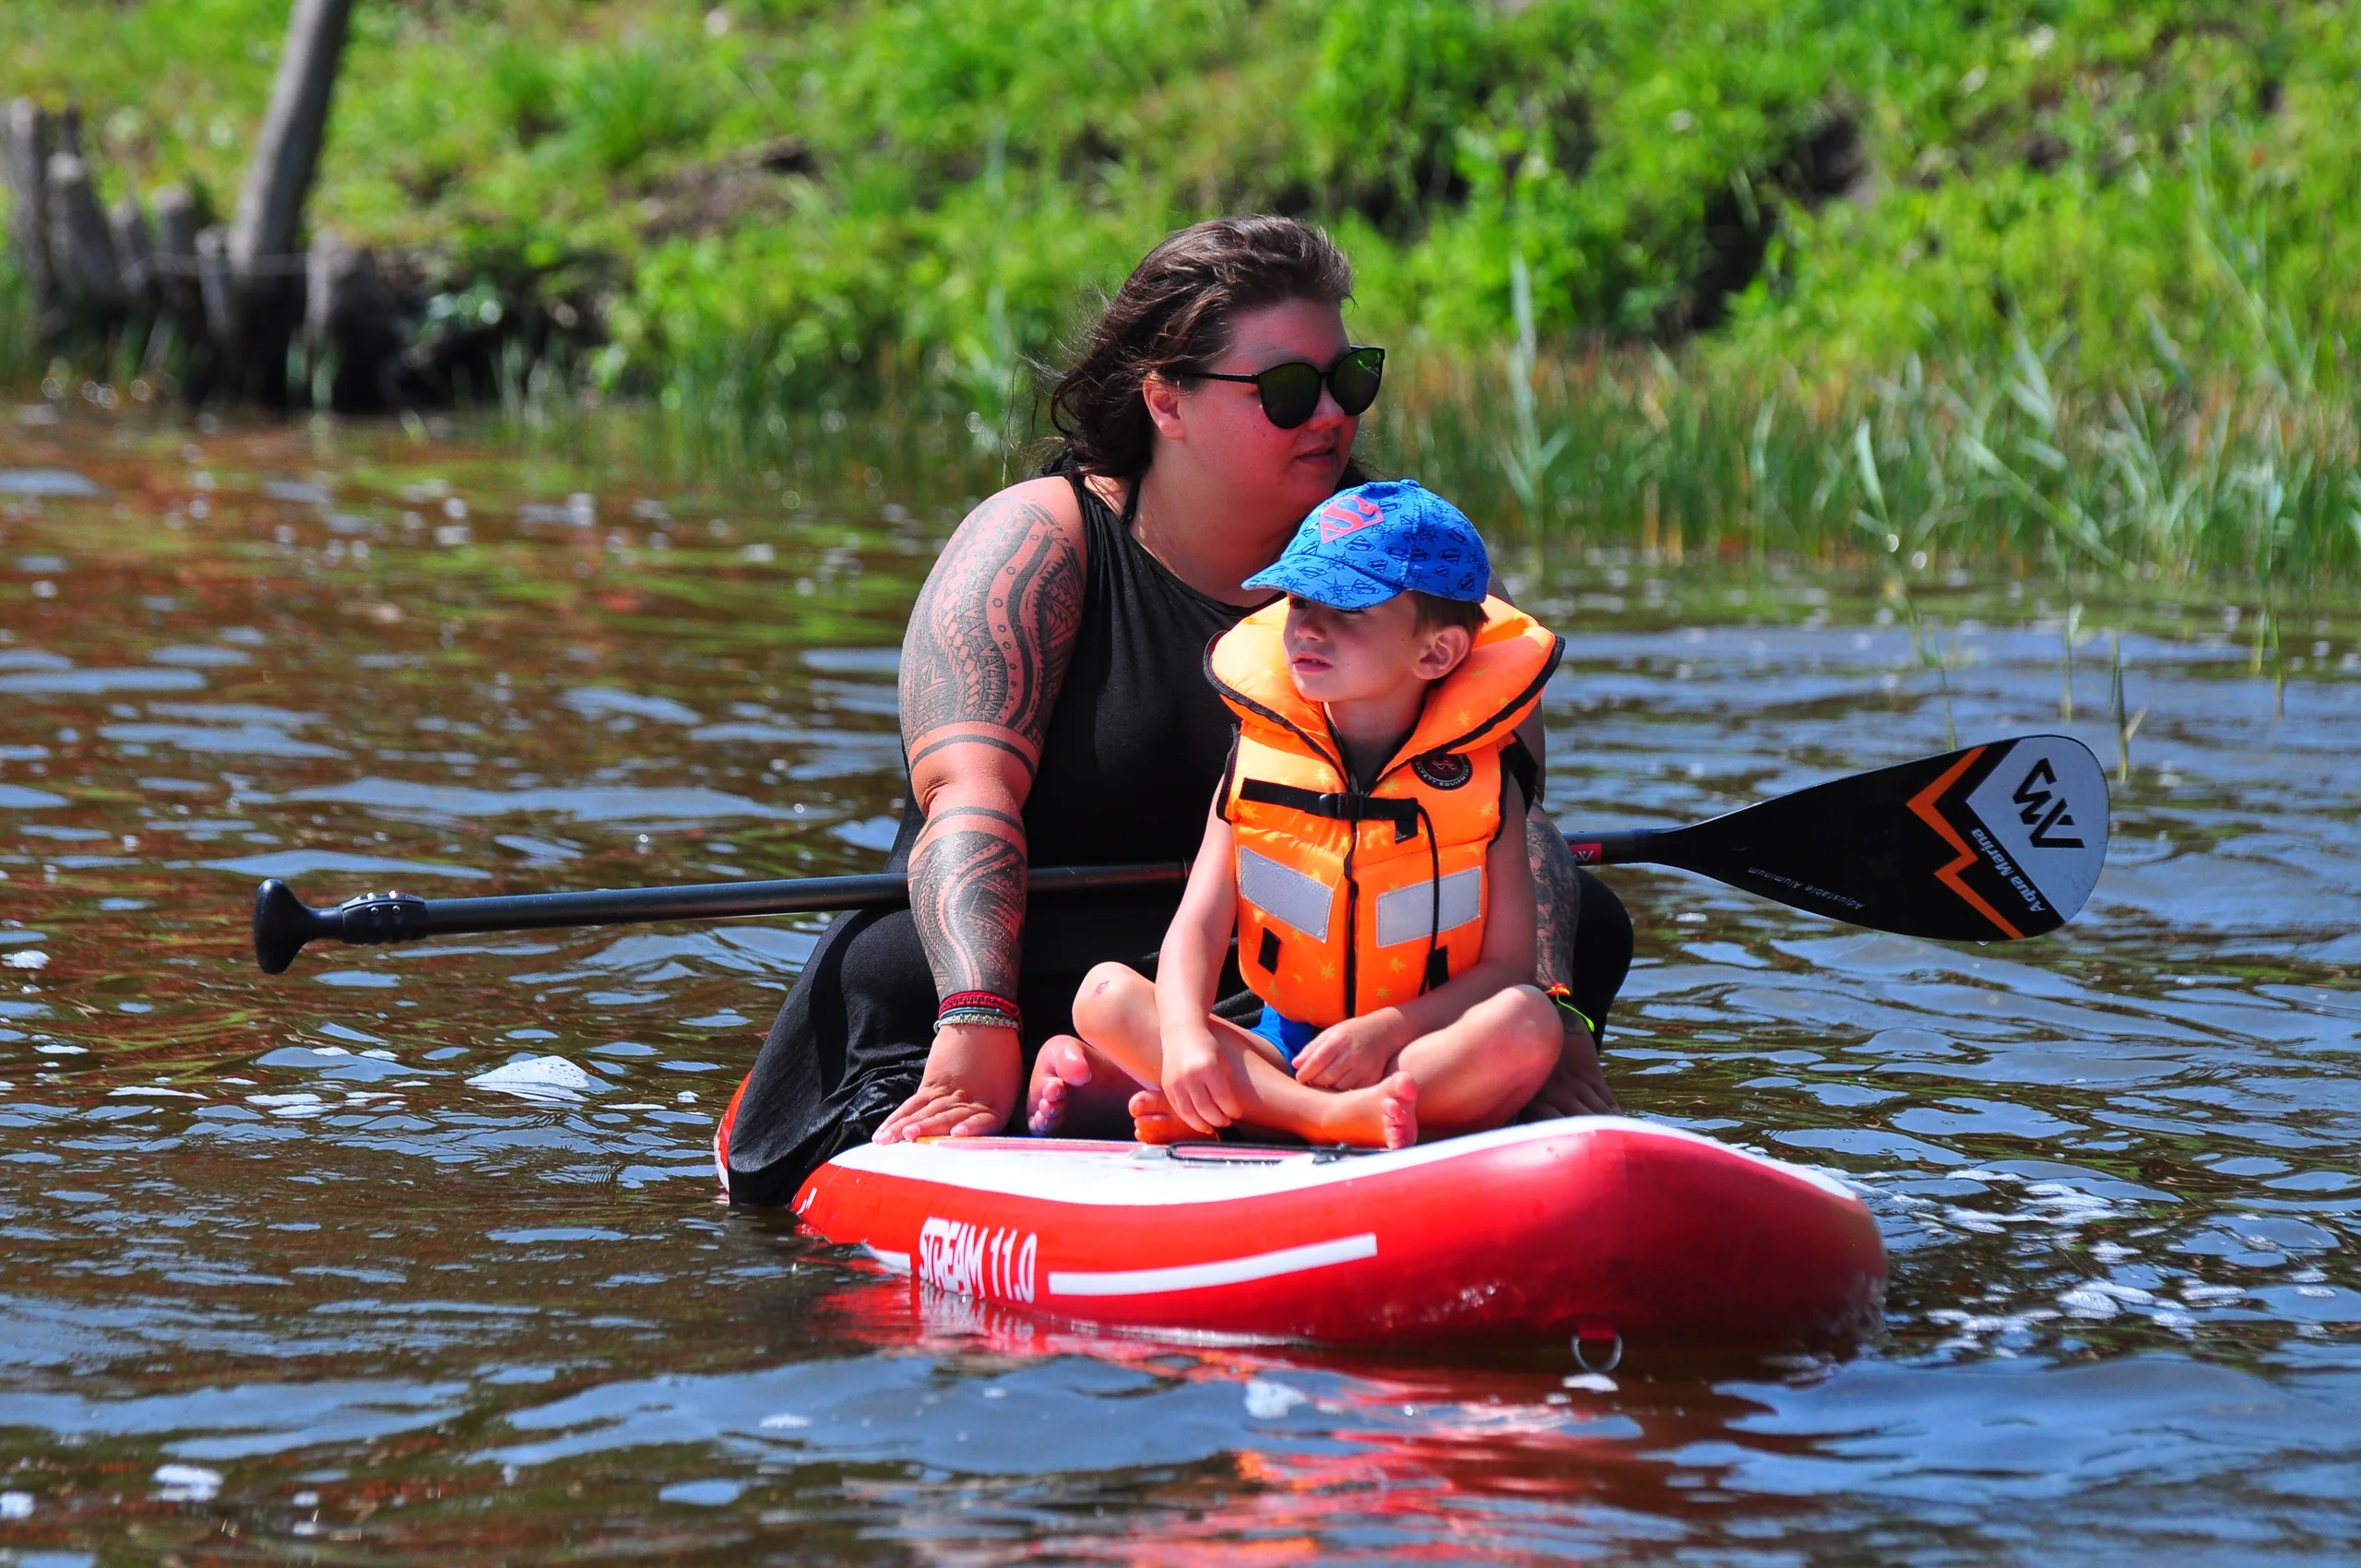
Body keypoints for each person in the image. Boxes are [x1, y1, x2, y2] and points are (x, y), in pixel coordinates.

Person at [715, 215, 1631, 1206]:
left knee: (1591, 919)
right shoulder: (1038, 544)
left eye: (1349, 380)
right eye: (1286, 391)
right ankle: (1069, 1077)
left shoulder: (1407, 567)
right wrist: (977, 1019)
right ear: (1167, 401)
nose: (1331, 414)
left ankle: (1202, 1096)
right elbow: (965, 802)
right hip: (1021, 961)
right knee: (960, 968)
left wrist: (1561, 1023)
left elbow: (1511, 818)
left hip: (1291, 994)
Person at [1030, 481, 1569, 1149]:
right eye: (1301, 601)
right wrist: (1186, 1034)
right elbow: (1196, 929)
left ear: (1436, 652)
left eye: (1348, 609)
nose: (1308, 627)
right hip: (1279, 1052)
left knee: (1530, 1023)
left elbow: (1506, 969)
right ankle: (1317, 1119)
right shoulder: (1256, 760)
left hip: (1413, 1057)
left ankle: (1236, 1114)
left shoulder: (1489, 786)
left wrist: (1390, 1030)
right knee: (1105, 995)